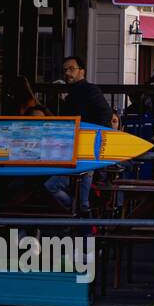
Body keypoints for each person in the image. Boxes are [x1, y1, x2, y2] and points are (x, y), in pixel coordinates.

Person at [45, 56, 112, 214]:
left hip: (86, 151)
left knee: (61, 188)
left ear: (82, 71)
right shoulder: (72, 94)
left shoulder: (89, 90)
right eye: (65, 70)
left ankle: (80, 218)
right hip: (73, 151)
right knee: (74, 193)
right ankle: (80, 216)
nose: (67, 73)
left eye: (71, 69)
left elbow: (105, 113)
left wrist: (94, 138)